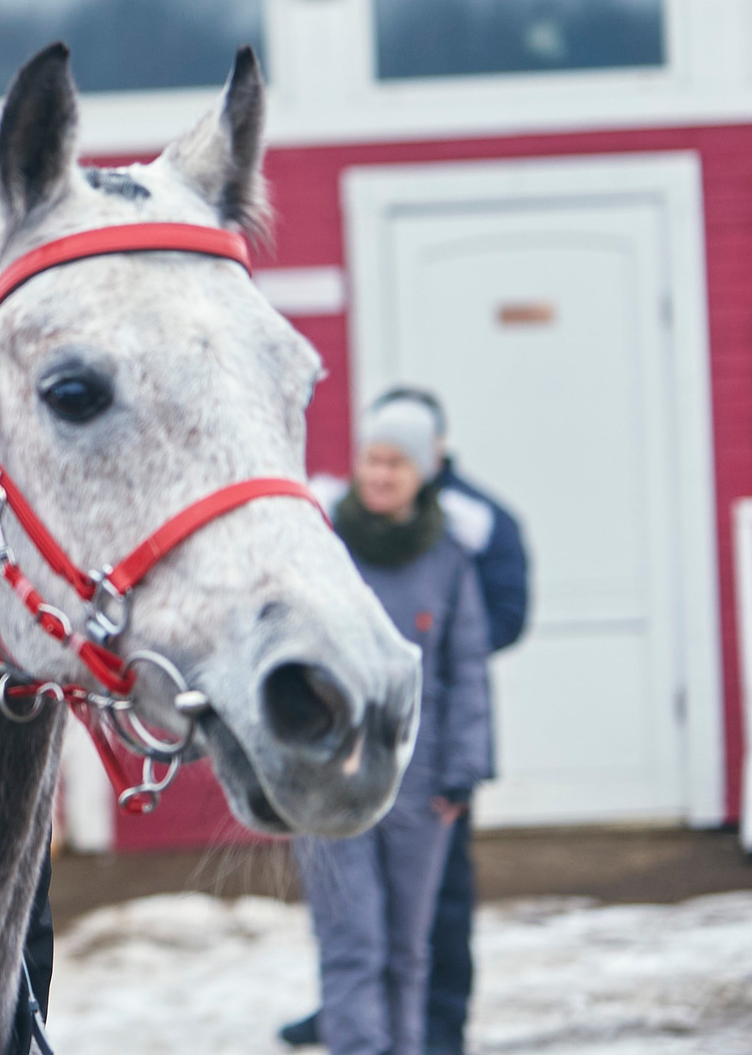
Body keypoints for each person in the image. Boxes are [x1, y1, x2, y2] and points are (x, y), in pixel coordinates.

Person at [281, 388, 529, 1054]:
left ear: (423, 470)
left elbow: (465, 671)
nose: (381, 473)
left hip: (421, 784)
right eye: (372, 458)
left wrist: (464, 772)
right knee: (352, 943)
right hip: (330, 778)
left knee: (409, 948)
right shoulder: (319, 544)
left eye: (397, 461)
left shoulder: (449, 556)